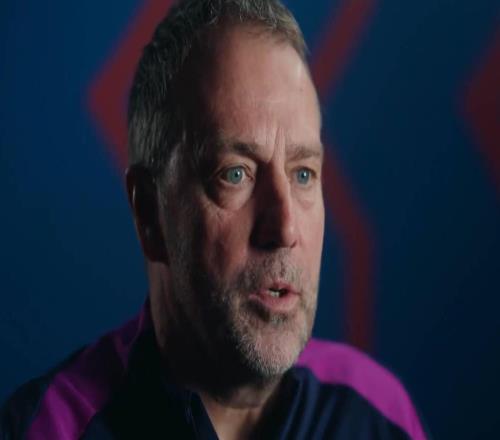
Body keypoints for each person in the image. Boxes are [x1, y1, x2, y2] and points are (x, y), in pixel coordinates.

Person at [1, 0, 429, 438]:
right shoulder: (45, 429)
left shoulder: (379, 416)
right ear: (149, 212)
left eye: (303, 174)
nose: (284, 229)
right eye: (235, 174)